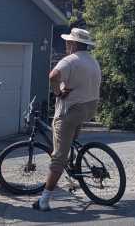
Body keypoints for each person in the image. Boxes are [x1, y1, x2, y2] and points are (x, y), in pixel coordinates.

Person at [33, 28, 102, 212]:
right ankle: (71, 163)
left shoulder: (70, 60)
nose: (66, 44)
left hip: (70, 111)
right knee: (69, 140)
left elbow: (53, 76)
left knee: (58, 157)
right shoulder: (92, 61)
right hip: (88, 108)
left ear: (73, 44)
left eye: (68, 42)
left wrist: (57, 93)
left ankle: (44, 201)